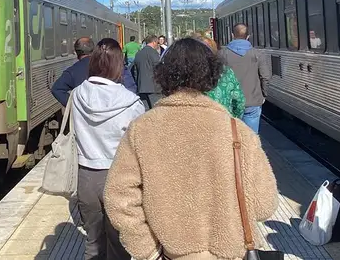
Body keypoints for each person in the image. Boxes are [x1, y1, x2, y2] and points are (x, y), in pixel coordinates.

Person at [105, 38, 278, 260]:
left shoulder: (141, 129)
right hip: (228, 254)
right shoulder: (238, 131)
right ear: (212, 76)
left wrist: (147, 250)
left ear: (164, 76)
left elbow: (118, 197)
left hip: (169, 253)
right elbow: (265, 205)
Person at [71, 38, 145, 260]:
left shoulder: (76, 95)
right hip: (118, 177)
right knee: (119, 242)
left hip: (86, 177)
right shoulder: (131, 102)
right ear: (118, 64)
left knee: (92, 241)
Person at [51, 37, 137, 106]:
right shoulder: (109, 65)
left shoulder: (71, 71)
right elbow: (131, 90)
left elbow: (56, 89)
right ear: (94, 50)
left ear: (76, 52)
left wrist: (75, 105)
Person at [219, 23, 270, 133]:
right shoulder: (258, 54)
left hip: (230, 102)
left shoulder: (222, 54)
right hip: (252, 101)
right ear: (248, 36)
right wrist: (264, 94)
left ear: (232, 35)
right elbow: (265, 77)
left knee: (232, 136)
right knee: (251, 137)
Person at [196, 35, 245, 118]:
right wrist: (234, 118)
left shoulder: (185, 72)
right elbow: (239, 101)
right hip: (223, 121)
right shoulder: (226, 72)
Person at [131, 35, 162, 110]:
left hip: (141, 87)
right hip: (154, 87)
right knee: (156, 110)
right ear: (154, 42)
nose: (158, 45)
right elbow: (159, 68)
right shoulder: (153, 53)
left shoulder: (138, 54)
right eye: (157, 43)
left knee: (145, 111)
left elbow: (134, 70)